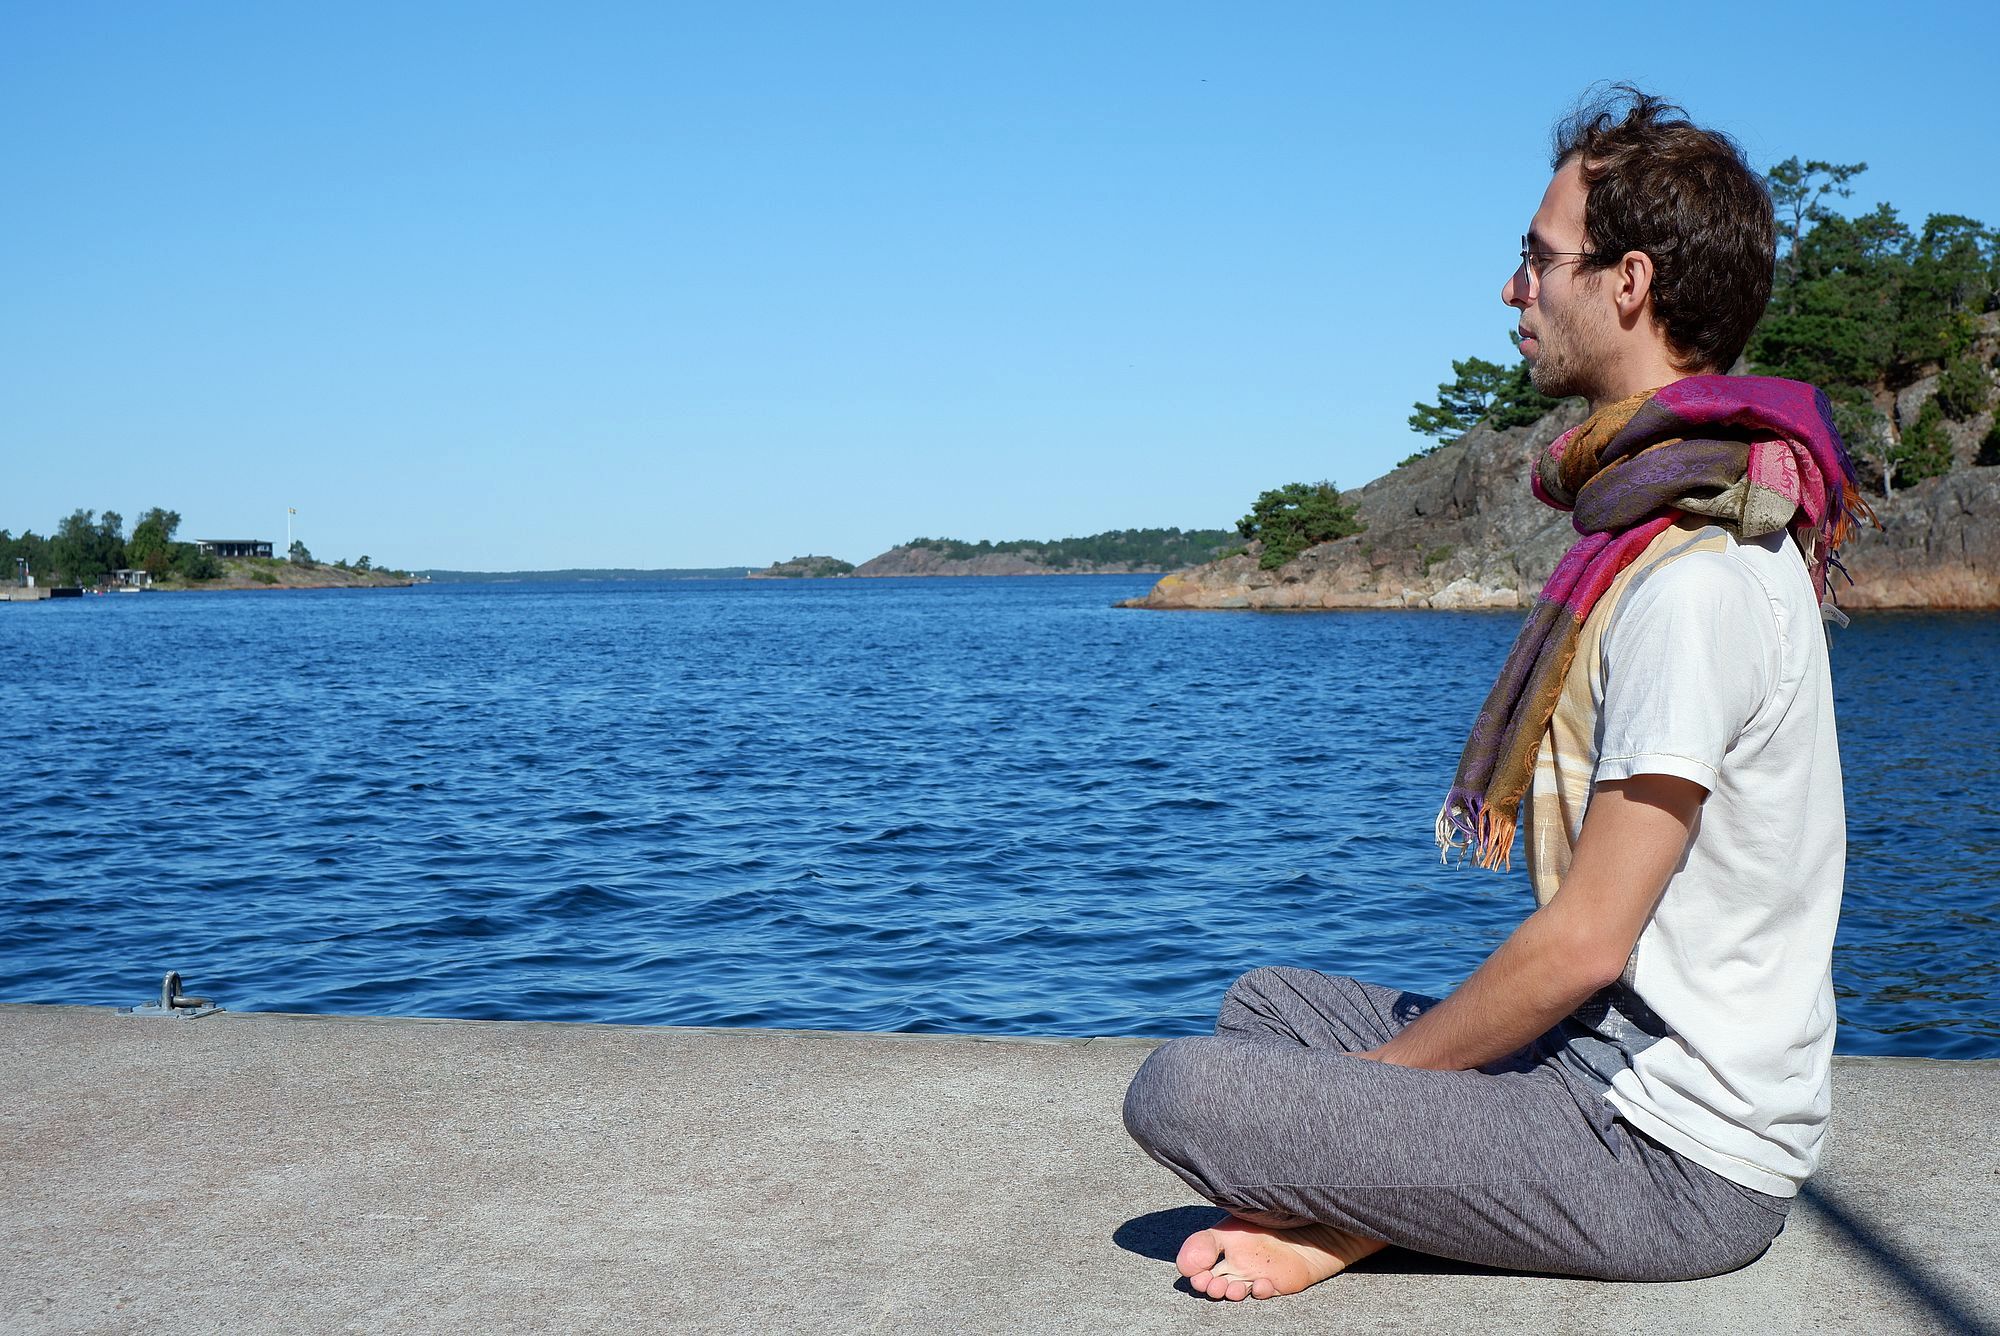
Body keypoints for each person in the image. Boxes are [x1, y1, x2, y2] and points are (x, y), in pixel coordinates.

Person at [1121, 85, 1870, 1301]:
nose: (1511, 290)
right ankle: (1358, 1205)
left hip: (1670, 1154)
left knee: (1180, 1091)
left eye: (1536, 260)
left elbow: (1582, 942)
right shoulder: (1649, 531)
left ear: (1626, 281)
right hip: (1585, 1069)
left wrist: (1376, 1099)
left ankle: (1346, 1207)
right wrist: (1362, 1112)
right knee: (1262, 1004)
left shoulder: (1696, 581)